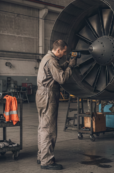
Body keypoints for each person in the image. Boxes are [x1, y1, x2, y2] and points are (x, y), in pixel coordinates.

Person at [36, 39, 77, 170]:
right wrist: (71, 66)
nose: (65, 54)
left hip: (42, 95)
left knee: (43, 126)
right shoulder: (52, 61)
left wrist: (66, 64)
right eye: (64, 52)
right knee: (48, 129)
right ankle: (47, 161)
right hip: (48, 95)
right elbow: (62, 78)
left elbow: (56, 71)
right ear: (58, 50)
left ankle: (42, 155)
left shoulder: (47, 58)